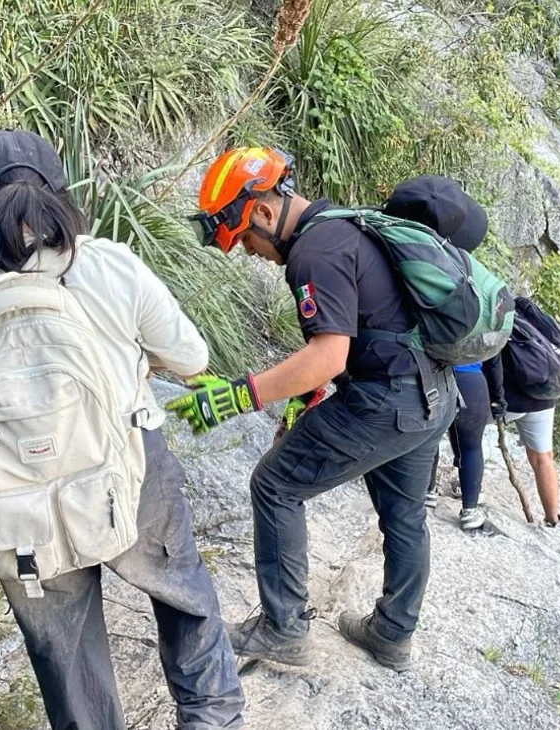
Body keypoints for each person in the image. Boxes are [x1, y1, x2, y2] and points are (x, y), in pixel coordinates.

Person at [0, 129, 244, 730]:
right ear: (60, 196)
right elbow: (192, 358)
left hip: (15, 504)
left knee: (65, 652)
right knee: (181, 592)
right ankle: (212, 718)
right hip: (128, 471)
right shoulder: (106, 264)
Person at [167, 147, 457, 672]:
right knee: (405, 515)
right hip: (432, 395)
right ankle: (393, 635)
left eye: (246, 241)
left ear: (260, 211)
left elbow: (329, 354)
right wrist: (297, 406)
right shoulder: (341, 227)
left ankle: (283, 631)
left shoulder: (312, 253)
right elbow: (358, 333)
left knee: (275, 486)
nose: (250, 253)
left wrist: (239, 395)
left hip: (385, 401)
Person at [381, 176, 495, 531]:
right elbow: (494, 350)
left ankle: (427, 490)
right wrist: (501, 400)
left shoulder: (409, 268)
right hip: (472, 375)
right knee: (471, 445)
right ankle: (470, 509)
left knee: (428, 436)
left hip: (425, 372)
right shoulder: (471, 277)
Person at [483, 354, 560, 526]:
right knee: (543, 459)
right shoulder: (544, 326)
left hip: (508, 398)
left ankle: (467, 489)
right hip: (543, 396)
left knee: (467, 428)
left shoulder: (503, 325)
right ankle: (553, 518)